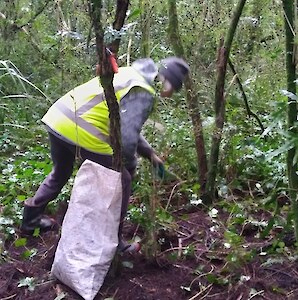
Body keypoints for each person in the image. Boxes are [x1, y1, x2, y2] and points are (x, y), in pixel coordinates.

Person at [20, 56, 190, 251]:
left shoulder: (129, 74)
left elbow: (127, 128)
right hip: (82, 130)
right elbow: (127, 136)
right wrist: (129, 166)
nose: (170, 93)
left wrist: (150, 154)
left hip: (58, 118)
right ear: (169, 81)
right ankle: (114, 243)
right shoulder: (143, 92)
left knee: (61, 171)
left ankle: (30, 220)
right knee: (123, 180)